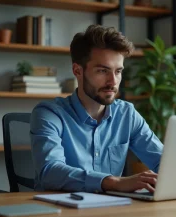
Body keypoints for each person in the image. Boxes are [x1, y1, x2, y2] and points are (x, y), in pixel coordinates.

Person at [30, 24, 163, 194]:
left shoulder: (126, 114)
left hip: (109, 210)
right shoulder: (49, 114)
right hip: (60, 211)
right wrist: (113, 182)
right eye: (103, 71)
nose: (113, 81)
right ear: (78, 71)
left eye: (118, 71)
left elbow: (164, 162)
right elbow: (50, 171)